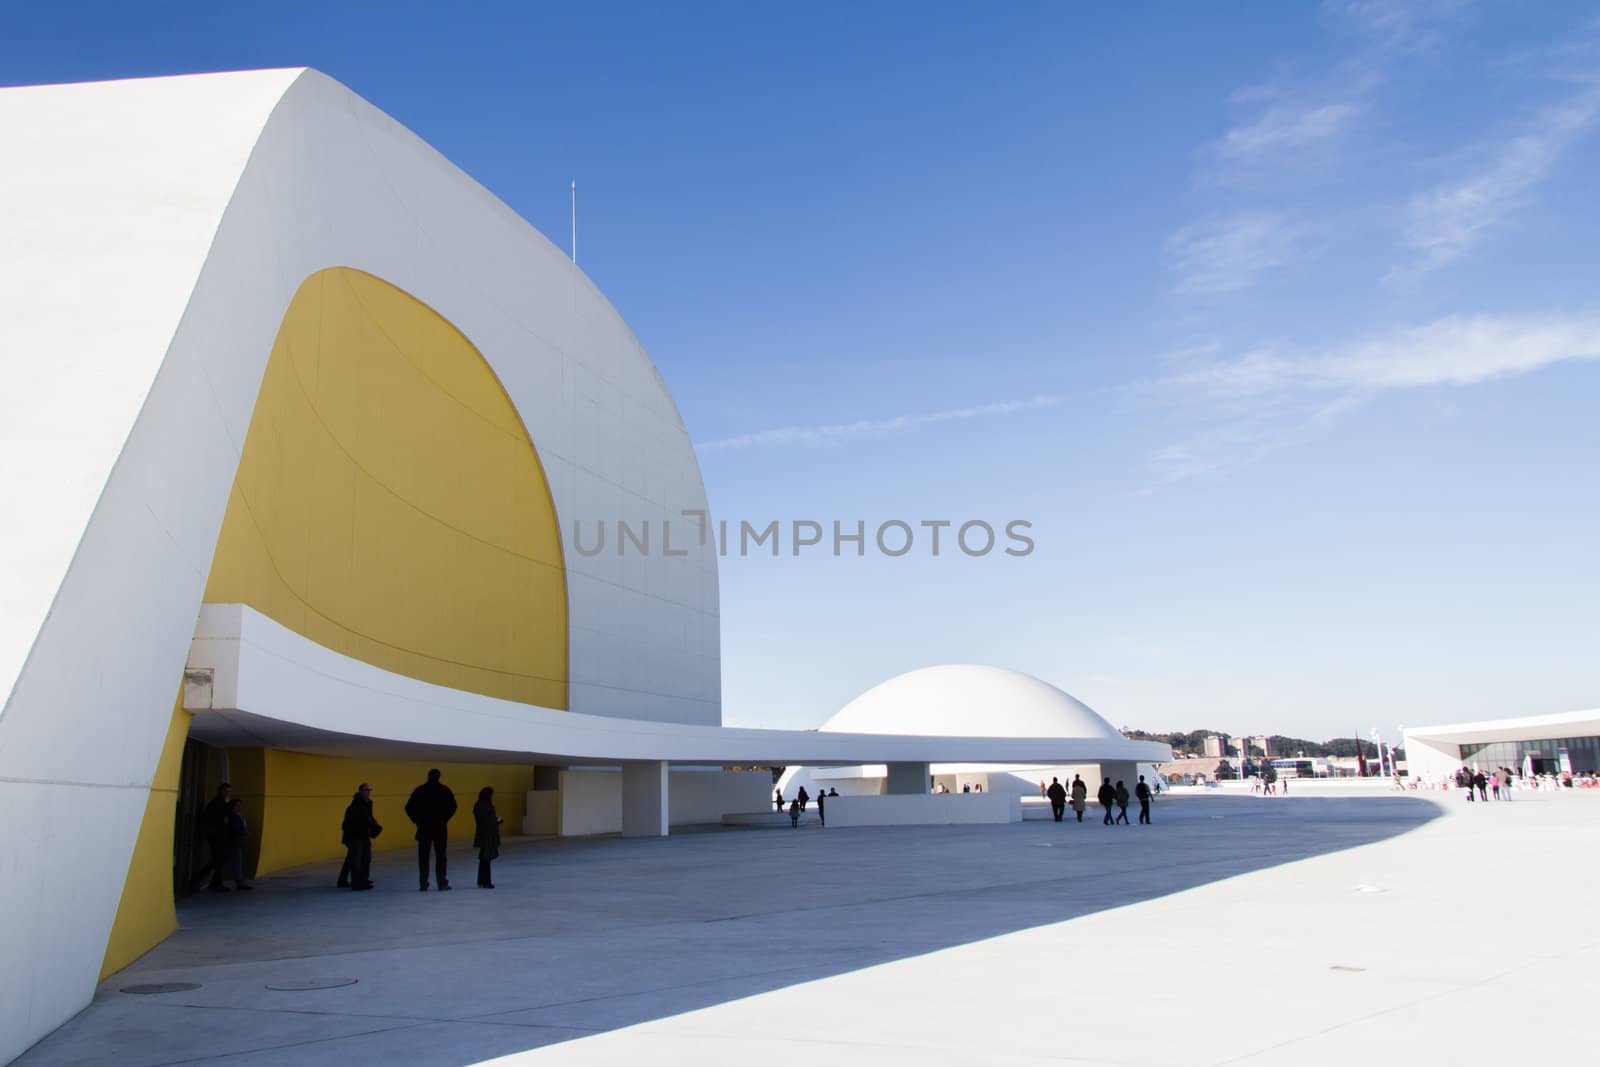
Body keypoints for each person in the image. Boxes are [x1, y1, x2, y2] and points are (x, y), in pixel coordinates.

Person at [405, 768, 457, 891]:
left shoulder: (420, 790)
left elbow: (408, 807)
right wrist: (444, 819)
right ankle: (442, 882)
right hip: (439, 828)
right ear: (439, 777)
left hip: (424, 828)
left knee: (423, 857)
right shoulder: (444, 790)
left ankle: (423, 883)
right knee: (441, 857)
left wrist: (417, 821)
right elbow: (453, 807)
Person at [340, 783, 380, 890]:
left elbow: (369, 817)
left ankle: (350, 880)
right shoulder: (356, 806)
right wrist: (372, 827)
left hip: (360, 835)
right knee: (359, 859)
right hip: (356, 835)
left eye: (370, 790)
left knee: (354, 858)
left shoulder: (367, 803)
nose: (369, 792)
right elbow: (360, 820)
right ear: (361, 791)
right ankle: (358, 882)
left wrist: (374, 826)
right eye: (367, 790)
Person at [195, 782, 232, 892]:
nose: (227, 793)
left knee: (218, 860)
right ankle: (203, 880)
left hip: (219, 836)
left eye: (229, 791)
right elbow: (217, 820)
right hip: (216, 836)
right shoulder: (216, 803)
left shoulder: (221, 803)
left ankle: (212, 882)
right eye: (226, 791)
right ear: (220, 791)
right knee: (218, 860)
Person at [473, 786, 502, 889]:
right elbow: (488, 821)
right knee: (486, 858)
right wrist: (497, 821)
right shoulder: (486, 806)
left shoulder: (478, 805)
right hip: (488, 835)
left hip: (483, 834)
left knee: (484, 859)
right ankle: (486, 881)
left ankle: (482, 881)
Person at [223, 798, 252, 890]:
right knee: (236, 862)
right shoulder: (232, 817)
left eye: (240, 805)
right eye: (237, 805)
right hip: (234, 842)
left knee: (236, 862)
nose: (239, 807)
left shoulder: (238, 816)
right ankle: (240, 882)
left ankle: (239, 881)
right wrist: (243, 832)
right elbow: (234, 829)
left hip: (238, 842)